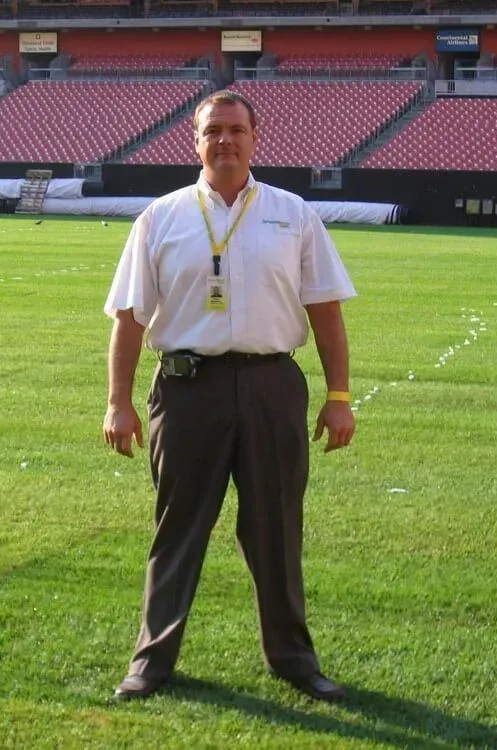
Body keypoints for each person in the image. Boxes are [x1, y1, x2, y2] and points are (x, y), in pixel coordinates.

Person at [101, 89, 357, 703]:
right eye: (213, 130)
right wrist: (118, 401)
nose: (225, 140)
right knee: (177, 528)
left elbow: (326, 313)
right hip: (188, 390)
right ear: (196, 140)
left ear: (255, 136)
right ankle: (151, 661)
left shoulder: (293, 214)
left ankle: (293, 659)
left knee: (276, 527)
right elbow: (129, 318)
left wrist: (339, 395)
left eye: (236, 129)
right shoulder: (160, 218)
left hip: (272, 385)